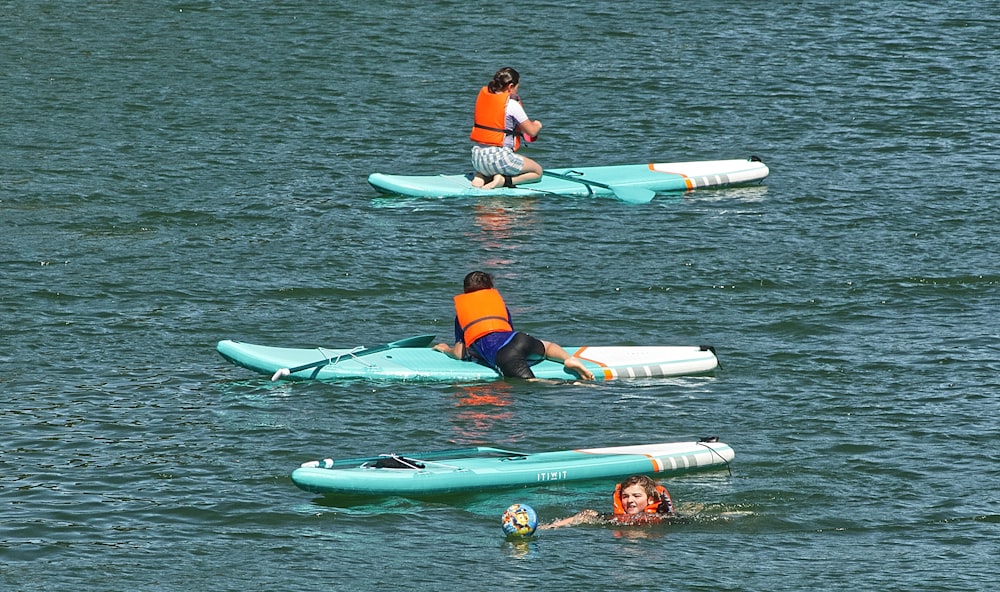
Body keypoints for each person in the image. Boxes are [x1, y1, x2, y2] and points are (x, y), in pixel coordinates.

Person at [433, 271, 595, 380]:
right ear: (491, 289)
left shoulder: (462, 314)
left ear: (465, 290)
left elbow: (460, 353)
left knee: (531, 383)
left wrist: (444, 349)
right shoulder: (499, 306)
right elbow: (506, 331)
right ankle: (569, 359)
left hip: (505, 355)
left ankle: (572, 387)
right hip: (521, 339)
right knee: (547, 347)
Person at [469, 67, 544, 189]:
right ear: (510, 87)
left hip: (477, 158)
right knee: (537, 172)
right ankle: (504, 180)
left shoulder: (483, 98)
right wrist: (538, 125)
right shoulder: (512, 104)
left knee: (491, 164)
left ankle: (481, 176)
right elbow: (531, 132)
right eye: (517, 88)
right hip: (499, 158)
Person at [539, 475, 675, 529]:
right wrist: (553, 525)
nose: (630, 501)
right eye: (625, 496)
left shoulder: (662, 518)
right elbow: (586, 515)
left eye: (636, 496)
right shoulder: (615, 518)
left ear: (650, 499)